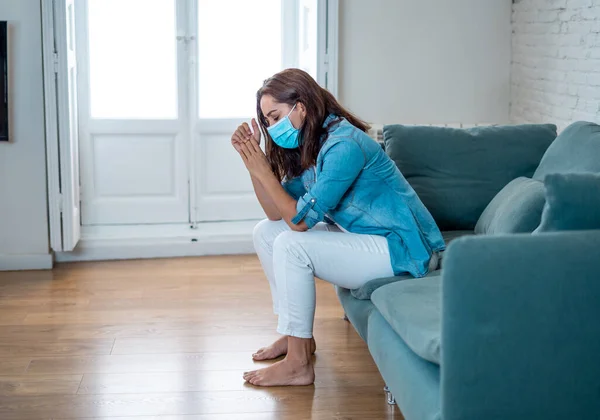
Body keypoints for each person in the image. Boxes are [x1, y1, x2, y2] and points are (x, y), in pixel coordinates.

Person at [230, 68, 445, 387]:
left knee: (292, 244)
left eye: (275, 117)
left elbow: (298, 222)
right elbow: (276, 214)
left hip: (401, 249)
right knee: (266, 233)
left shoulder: (344, 145)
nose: (273, 128)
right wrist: (255, 164)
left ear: (300, 107)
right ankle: (295, 337)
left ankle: (298, 365)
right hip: (364, 238)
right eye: (268, 123)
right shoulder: (315, 142)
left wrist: (264, 170)